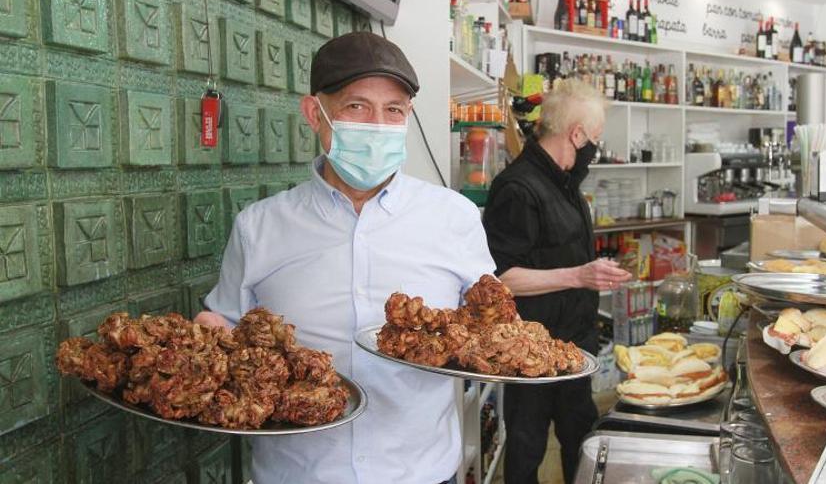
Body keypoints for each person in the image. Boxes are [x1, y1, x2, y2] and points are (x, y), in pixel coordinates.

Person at [195, 32, 494, 484]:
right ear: (315, 113)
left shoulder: (454, 217)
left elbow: (490, 329)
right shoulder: (259, 227)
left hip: (419, 471)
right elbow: (230, 330)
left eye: (393, 110)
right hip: (296, 472)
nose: (377, 124)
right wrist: (209, 340)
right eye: (357, 106)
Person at [481, 79, 632, 484]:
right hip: (531, 352)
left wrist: (592, 269)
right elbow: (501, 279)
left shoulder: (567, 186)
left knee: (580, 437)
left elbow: (563, 255)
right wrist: (580, 275)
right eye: (595, 139)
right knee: (527, 448)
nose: (595, 150)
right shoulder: (516, 188)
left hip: (574, 347)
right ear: (577, 134)